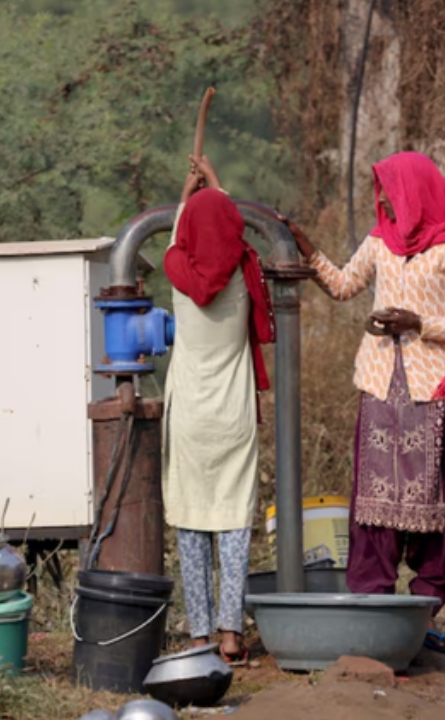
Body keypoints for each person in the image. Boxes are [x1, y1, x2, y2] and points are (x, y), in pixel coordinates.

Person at [281, 151, 445, 654]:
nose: (386, 203)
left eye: (392, 193)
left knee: (437, 510)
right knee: (373, 506)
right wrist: (309, 251)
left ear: (415, 192)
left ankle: (421, 612)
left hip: (434, 392)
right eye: (383, 194)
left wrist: (420, 324)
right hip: (380, 388)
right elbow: (342, 286)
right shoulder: (380, 242)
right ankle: (373, 608)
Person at [163, 154, 274, 664]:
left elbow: (177, 239)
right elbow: (231, 234)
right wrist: (219, 185)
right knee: (232, 522)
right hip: (231, 419)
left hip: (188, 417)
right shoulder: (243, 277)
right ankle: (232, 635)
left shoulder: (177, 274)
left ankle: (198, 636)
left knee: (190, 522)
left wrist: (189, 192)